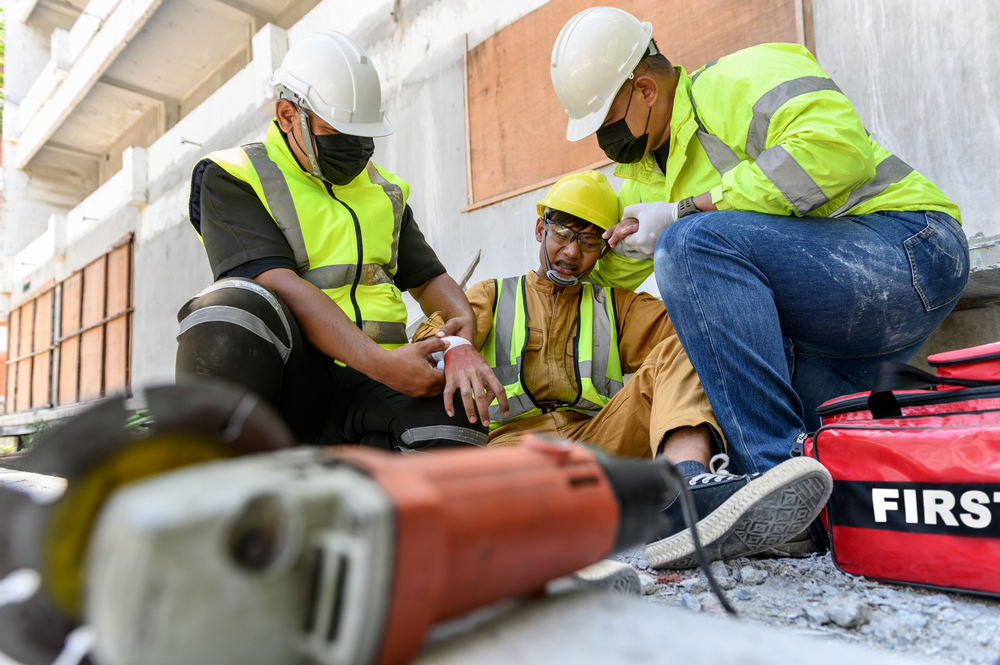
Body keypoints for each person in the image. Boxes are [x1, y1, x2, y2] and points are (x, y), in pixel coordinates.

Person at [550, 8, 968, 548]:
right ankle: (830, 499)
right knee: (739, 361)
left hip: (911, 250)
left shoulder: (741, 78)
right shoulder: (646, 173)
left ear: (646, 90)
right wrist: (582, 250)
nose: (605, 141)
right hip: (837, 318)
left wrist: (687, 211)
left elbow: (834, 149)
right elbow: (628, 262)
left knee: (690, 242)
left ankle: (774, 475)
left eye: (605, 121)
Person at [414, 170, 832, 568]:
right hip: (516, 450)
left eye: (589, 242)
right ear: (540, 229)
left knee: (691, 341)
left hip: (602, 443)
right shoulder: (492, 295)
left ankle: (685, 493)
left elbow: (708, 329)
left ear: (603, 250)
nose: (572, 252)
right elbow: (430, 343)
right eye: (563, 233)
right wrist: (456, 346)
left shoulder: (617, 306)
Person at [176, 31, 508, 452]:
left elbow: (429, 279)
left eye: (363, 134)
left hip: (375, 381)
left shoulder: (385, 191)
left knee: (455, 421)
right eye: (338, 131)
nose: (355, 148)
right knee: (231, 308)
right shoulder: (234, 176)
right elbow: (276, 281)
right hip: (294, 382)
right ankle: (216, 478)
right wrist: (382, 364)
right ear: (287, 115)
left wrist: (461, 337)